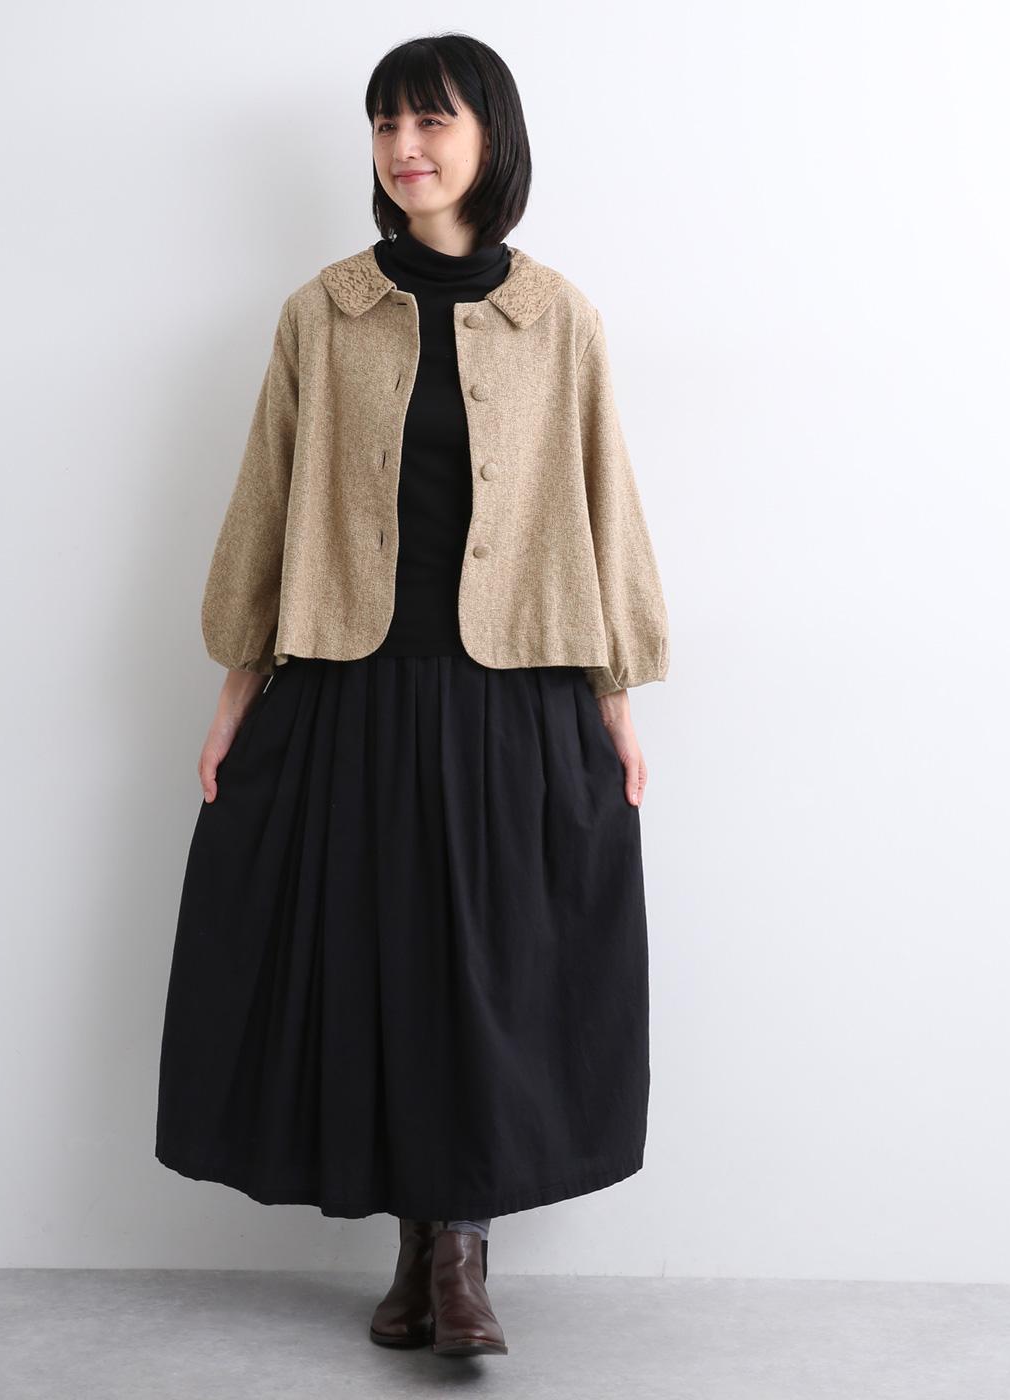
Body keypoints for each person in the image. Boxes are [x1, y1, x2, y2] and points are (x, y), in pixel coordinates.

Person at [155, 32, 670, 1360]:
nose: (405, 148)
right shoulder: (323, 314)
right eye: (386, 123)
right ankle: (424, 1251)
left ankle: (454, 1253)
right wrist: (236, 686)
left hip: (516, 689)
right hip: (357, 686)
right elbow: (265, 499)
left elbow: (605, 502)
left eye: (432, 121)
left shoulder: (558, 318)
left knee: (491, 970)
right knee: (383, 963)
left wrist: (618, 695)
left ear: (491, 137)